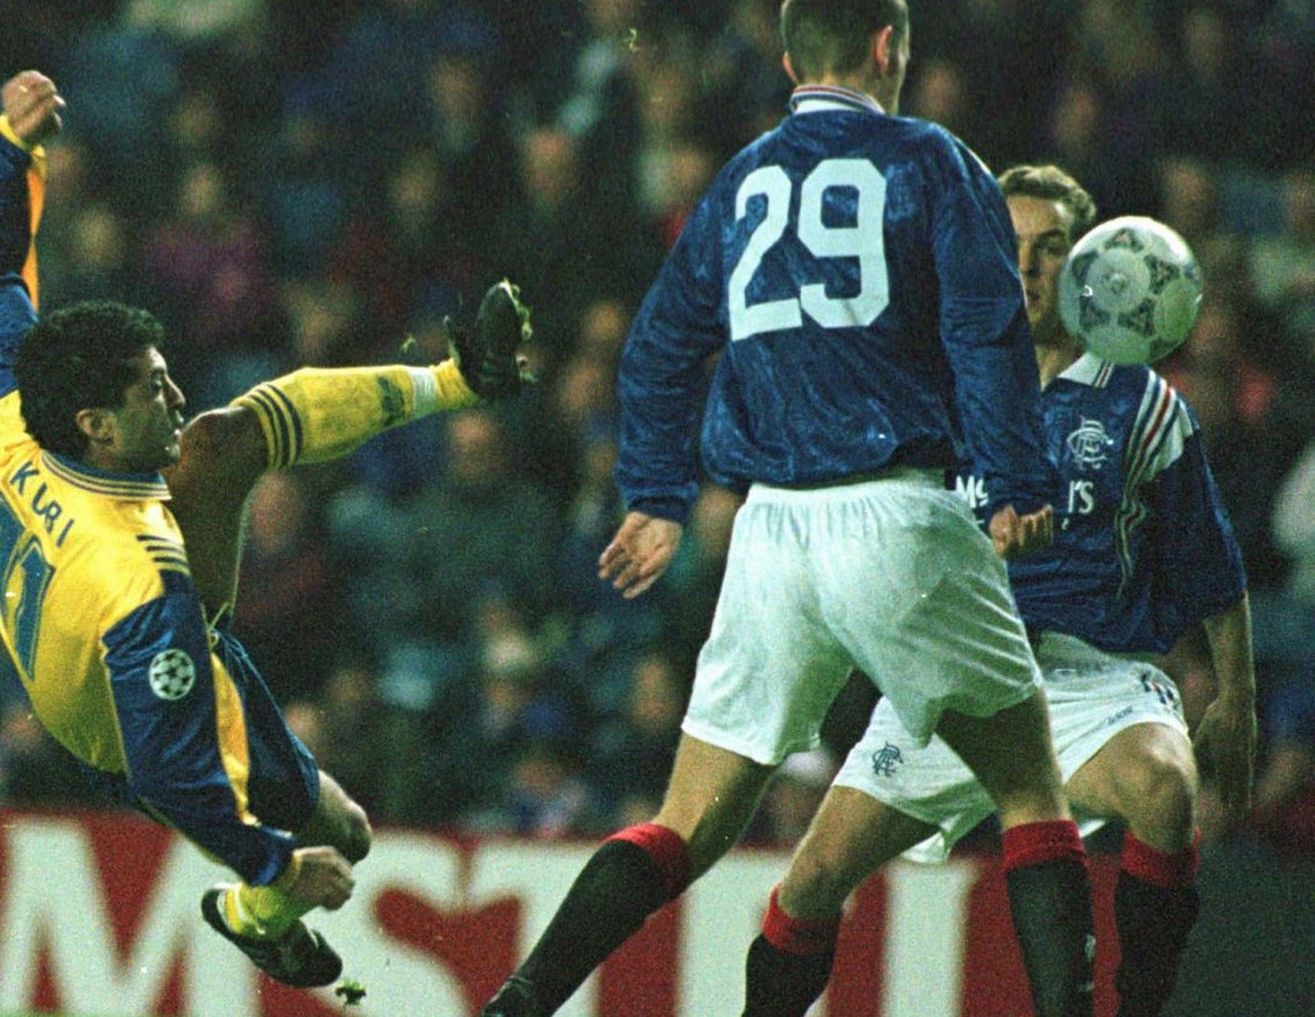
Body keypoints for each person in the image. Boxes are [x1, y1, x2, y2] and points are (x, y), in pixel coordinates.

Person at [482, 3, 1094, 1016]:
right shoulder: (933, 160)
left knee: (686, 822)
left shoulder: (739, 181)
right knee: (1030, 788)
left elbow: (660, 347)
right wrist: (1020, 482)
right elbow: (989, 334)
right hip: (897, 515)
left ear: (784, 59)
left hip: (767, 535)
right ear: (891, 47)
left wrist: (658, 497)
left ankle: (518, 1002)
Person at [0, 71, 528, 989]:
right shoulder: (145, 583)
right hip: (103, 709)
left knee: (217, 441)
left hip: (74, 620)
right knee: (340, 834)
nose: (173, 389)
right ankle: (254, 916)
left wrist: (13, 146)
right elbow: (167, 775)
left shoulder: (14, 398)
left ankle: (460, 380)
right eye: (151, 388)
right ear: (97, 425)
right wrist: (271, 868)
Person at [751, 164, 1257, 1017]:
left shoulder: (1142, 404)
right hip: (952, 677)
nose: (1027, 268)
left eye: (1050, 248)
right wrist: (975, 545)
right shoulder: (939, 386)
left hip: (1090, 676)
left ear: (1090, 264)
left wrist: (1237, 696)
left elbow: (1211, 561)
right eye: (1010, 248)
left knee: (1167, 787)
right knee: (812, 877)